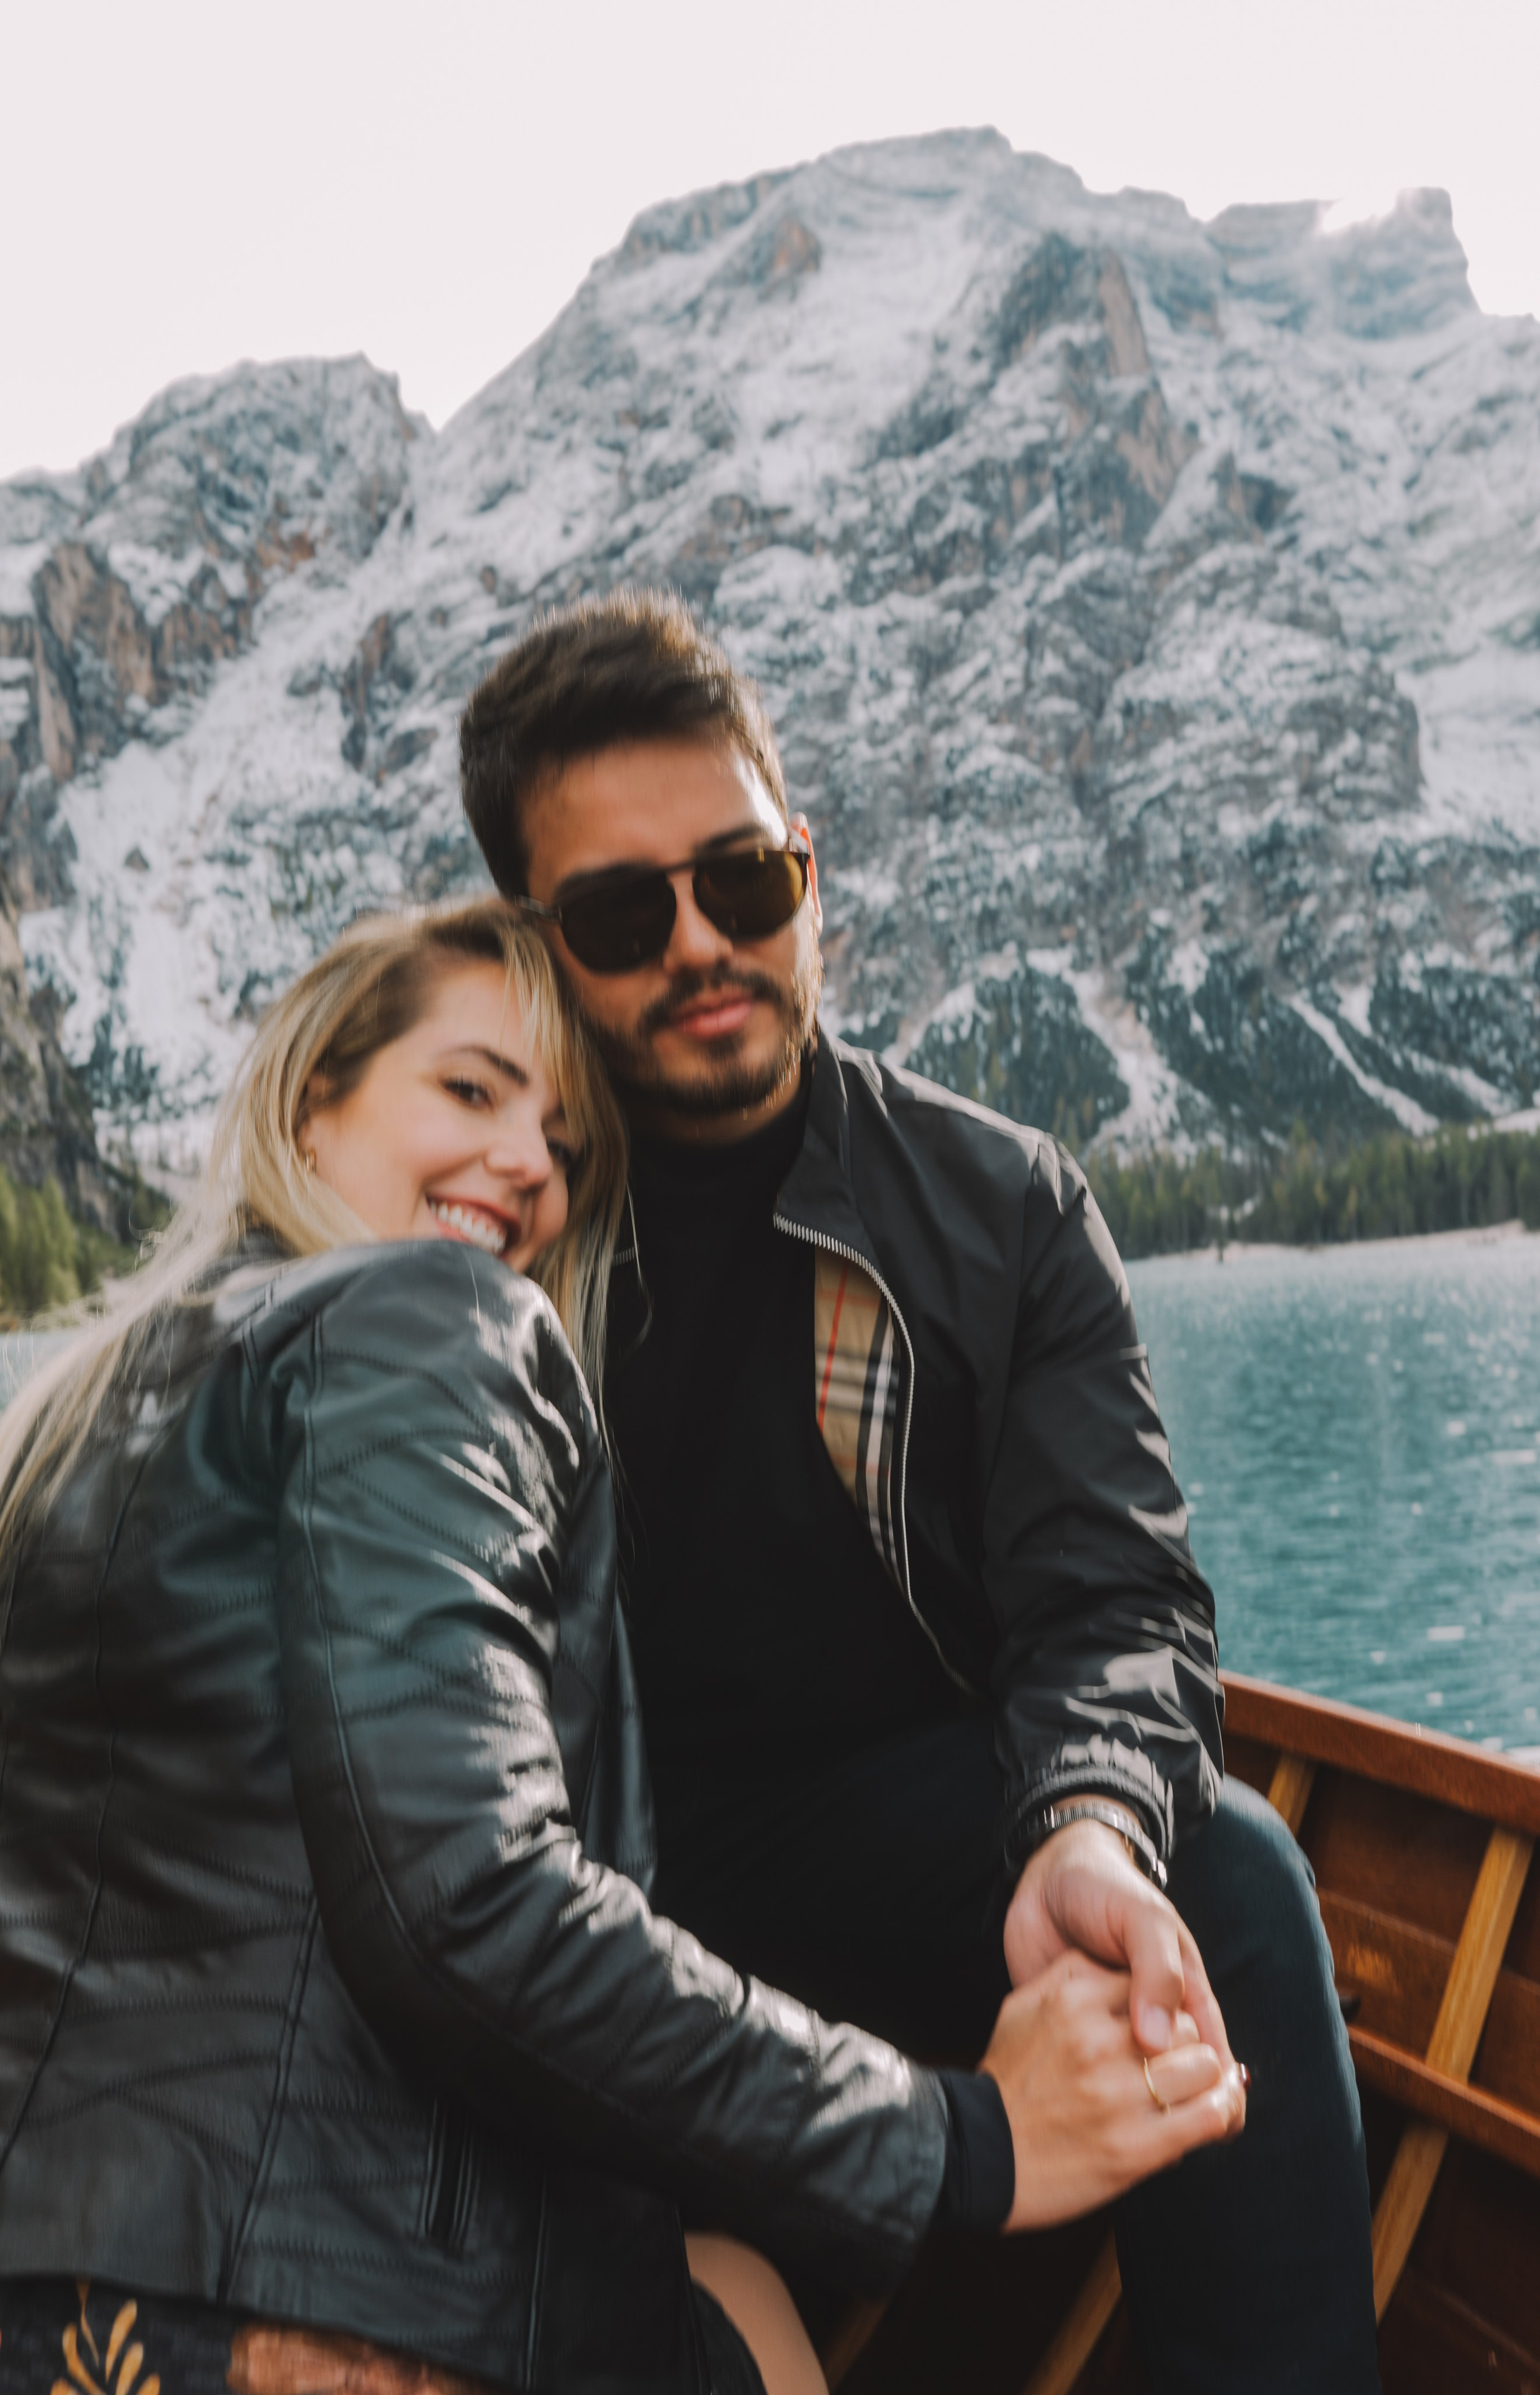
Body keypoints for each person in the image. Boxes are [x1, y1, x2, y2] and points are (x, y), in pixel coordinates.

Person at [0, 899, 1242, 2395]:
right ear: (316, 1102)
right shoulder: (418, 1315)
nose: (524, 1169)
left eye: (562, 1144)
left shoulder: (72, 1417)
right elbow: (470, 1898)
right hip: (320, 2327)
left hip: (20, 2314)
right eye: (471, 1090)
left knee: (723, 2278)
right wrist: (962, 2141)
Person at [458, 593, 1382, 2391]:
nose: (705, 945)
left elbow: (1111, 1601)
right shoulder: (490, 1227)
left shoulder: (1001, 1207)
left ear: (809, 870)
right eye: (626, 914)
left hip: (925, 1886)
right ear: (537, 945)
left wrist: (1086, 1832)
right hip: (591, 1918)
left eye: (744, 881)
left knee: (1224, 1869)